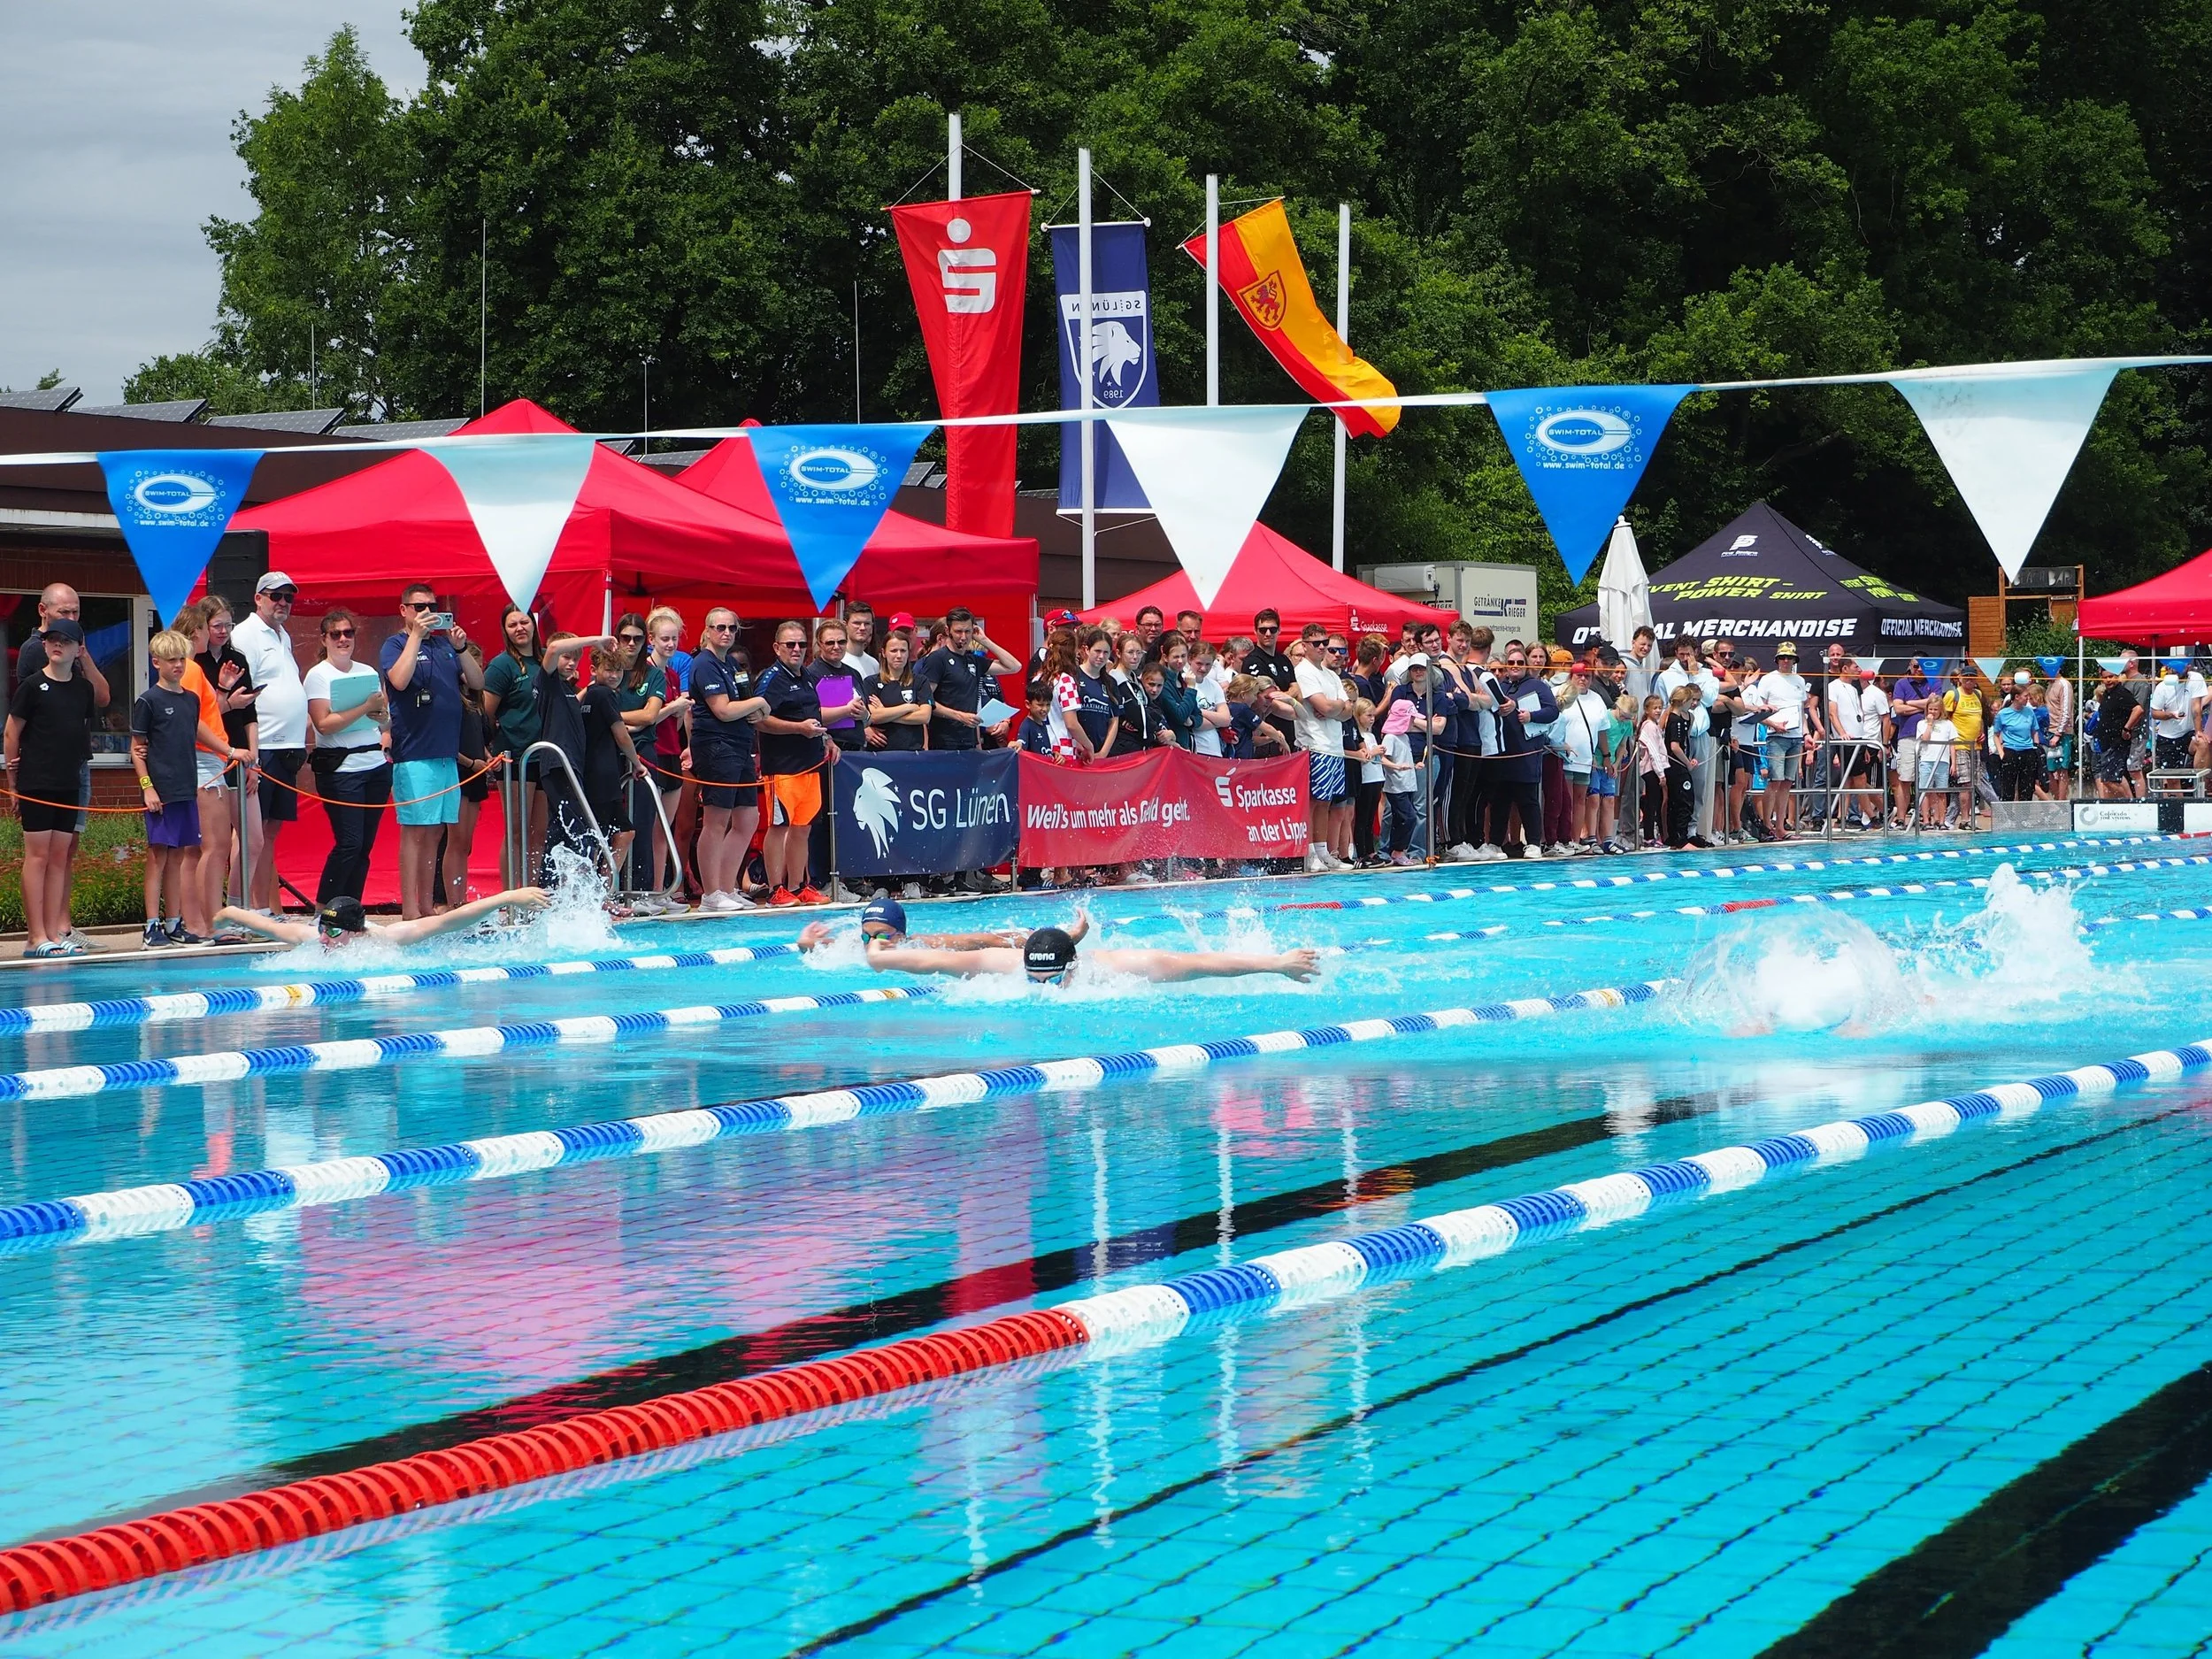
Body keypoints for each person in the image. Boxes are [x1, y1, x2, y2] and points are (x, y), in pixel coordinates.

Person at [134, 628, 249, 947]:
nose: (178, 666)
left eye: (181, 660)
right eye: (171, 660)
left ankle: (174, 922)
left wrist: (228, 751)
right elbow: (137, 748)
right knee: (159, 856)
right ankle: (150, 925)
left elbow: (200, 729)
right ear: (156, 662)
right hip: (162, 789)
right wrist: (148, 788)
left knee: (180, 855)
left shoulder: (190, 699)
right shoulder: (148, 700)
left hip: (186, 787)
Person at [380, 582, 483, 922]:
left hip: (445, 754)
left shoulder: (444, 647)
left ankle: (426, 904)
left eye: (432, 606)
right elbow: (398, 680)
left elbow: (477, 682)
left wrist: (462, 647)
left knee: (436, 832)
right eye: (419, 607)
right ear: (404, 611)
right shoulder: (395, 644)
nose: (427, 612)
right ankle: (410, 909)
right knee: (415, 832)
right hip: (415, 754)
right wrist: (415, 637)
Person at [861, 909, 1321, 985]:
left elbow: (1201, 963)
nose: (1045, 990)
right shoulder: (1001, 966)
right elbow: (920, 959)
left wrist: (1275, 964)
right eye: (1036, 981)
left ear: (1072, 968)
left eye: (1054, 981)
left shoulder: (1120, 969)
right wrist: (879, 951)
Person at [5, 618, 100, 956]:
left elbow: (81, 727)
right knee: (38, 856)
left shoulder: (83, 689)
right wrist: (13, 782)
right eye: (52, 640)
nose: (57, 645)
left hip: (67, 782)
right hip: (37, 780)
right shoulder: (31, 686)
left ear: (77, 649)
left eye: (65, 641)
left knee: (60, 857)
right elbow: (12, 733)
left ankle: (54, 935)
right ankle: (35, 937)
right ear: (44, 646)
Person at [231, 571, 309, 913]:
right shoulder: (246, 634)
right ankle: (241, 906)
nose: (282, 603)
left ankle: (262, 907)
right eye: (275, 596)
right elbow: (240, 696)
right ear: (258, 598)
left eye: (288, 597)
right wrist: (253, 753)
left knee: (270, 833)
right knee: (249, 833)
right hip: (264, 746)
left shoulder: (283, 635)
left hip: (288, 745)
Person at [303, 609, 392, 906]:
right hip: (341, 769)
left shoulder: (366, 671)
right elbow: (323, 724)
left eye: (348, 633)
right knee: (349, 843)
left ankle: (350, 909)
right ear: (325, 639)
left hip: (375, 766)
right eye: (336, 634)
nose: (343, 639)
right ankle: (324, 907)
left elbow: (383, 719)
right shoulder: (318, 675)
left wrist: (378, 712)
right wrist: (365, 707)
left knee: (364, 846)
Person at [686, 606, 767, 911]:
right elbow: (723, 710)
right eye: (720, 627)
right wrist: (758, 702)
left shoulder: (732, 665)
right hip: (717, 746)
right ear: (707, 630)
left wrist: (752, 707)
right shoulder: (704, 664)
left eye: (732, 628)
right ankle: (710, 894)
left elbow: (746, 709)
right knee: (716, 820)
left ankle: (726, 885)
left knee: (748, 819)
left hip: (740, 745)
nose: (726, 633)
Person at [757, 618, 838, 906]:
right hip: (782, 765)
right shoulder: (771, 678)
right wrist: (798, 728)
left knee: (803, 827)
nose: (797, 649)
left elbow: (814, 714)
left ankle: (799, 885)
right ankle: (775, 888)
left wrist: (826, 740)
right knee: (779, 826)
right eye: (790, 644)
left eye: (801, 644)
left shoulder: (806, 676)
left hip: (809, 764)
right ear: (777, 647)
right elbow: (760, 719)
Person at [193, 596, 258, 935]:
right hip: (211, 757)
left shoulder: (237, 658)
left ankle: (235, 908)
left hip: (237, 755)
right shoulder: (194, 663)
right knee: (214, 845)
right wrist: (226, 698)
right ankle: (212, 918)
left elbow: (250, 715)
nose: (223, 631)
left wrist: (252, 757)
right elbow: (203, 716)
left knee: (253, 839)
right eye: (216, 625)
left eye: (228, 625)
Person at [219, 887, 550, 950]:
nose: (323, 938)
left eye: (332, 931)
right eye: (322, 928)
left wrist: (507, 897)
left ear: (357, 932)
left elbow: (451, 921)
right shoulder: (314, 941)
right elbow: (267, 926)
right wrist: (229, 914)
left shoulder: (387, 939)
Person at [482, 603, 548, 885]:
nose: (520, 628)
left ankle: (531, 894)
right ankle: (512, 896)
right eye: (512, 625)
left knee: (539, 832)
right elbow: (484, 713)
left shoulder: (545, 660)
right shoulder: (502, 665)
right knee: (517, 831)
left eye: (524, 622)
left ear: (534, 624)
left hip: (544, 756)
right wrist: (487, 751)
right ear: (505, 631)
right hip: (514, 756)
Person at [609, 615, 670, 905]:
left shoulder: (652, 673)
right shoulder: (610, 670)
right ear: (617, 639)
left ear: (646, 641)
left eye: (637, 638)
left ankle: (642, 891)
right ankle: (610, 891)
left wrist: (614, 718)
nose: (631, 644)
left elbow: (650, 716)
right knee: (610, 825)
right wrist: (627, 724)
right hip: (608, 753)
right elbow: (592, 703)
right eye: (626, 638)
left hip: (643, 754)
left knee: (643, 824)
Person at [1487, 643, 1556, 859]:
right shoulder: (1501, 686)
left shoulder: (1538, 686)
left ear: (1525, 665)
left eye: (1519, 663)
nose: (1515, 666)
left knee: (1528, 800)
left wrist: (1531, 716)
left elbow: (1553, 711)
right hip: (1502, 753)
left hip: (1526, 753)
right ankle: (1496, 843)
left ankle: (1534, 842)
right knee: (1500, 801)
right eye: (1511, 663)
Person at [1746, 641, 1812, 838]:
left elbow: (1801, 711)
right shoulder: (1768, 680)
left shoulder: (1799, 680)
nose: (1786, 661)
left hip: (1795, 736)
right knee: (1775, 781)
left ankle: (1781, 826)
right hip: (1776, 736)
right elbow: (1760, 709)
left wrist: (1806, 733)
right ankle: (1768, 825)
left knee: (1787, 783)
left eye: (1789, 658)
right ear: (1777, 660)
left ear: (1794, 660)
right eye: (1782, 657)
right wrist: (1773, 725)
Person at [1887, 657, 1943, 827]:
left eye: (1923, 666)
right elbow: (1898, 709)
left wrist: (1909, 703)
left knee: (1930, 779)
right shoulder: (1902, 684)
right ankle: (1902, 818)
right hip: (1907, 736)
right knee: (1905, 778)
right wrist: (1925, 705)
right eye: (1916, 666)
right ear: (1910, 667)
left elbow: (1937, 705)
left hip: (1931, 736)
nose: (1919, 669)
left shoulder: (1935, 681)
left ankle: (1932, 819)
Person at [1992, 671, 2050, 802]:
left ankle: (2024, 817)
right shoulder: (2004, 714)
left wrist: (2036, 748)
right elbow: (1996, 735)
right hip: (2011, 750)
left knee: (2027, 787)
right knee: (2008, 786)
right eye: (2025, 697)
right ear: (2017, 697)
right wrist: (2001, 752)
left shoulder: (2029, 712)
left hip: (2027, 750)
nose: (2027, 699)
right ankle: (2008, 817)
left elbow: (2034, 731)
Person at [2092, 664, 2141, 801]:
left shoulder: (2121, 693)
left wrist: (2127, 728)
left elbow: (2138, 710)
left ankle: (2130, 802)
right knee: (2112, 778)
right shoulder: (2108, 694)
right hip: (2107, 743)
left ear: (2117, 677)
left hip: (2116, 743)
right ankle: (2127, 802)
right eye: (2105, 677)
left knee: (2109, 779)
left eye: (2111, 677)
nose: (2109, 680)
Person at [1663, 684, 1700, 849]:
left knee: (1676, 800)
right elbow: (1675, 746)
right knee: (1685, 800)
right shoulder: (1675, 720)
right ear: (1684, 701)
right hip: (1677, 765)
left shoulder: (1675, 717)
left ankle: (1675, 838)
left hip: (1676, 764)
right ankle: (1680, 838)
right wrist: (1687, 763)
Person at [1635, 693, 1669, 847]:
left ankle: (1652, 835)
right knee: (1652, 804)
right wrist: (1660, 773)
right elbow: (1654, 751)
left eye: (1660, 708)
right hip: (1651, 770)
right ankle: (1649, 836)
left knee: (1654, 802)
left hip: (1654, 769)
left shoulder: (1653, 726)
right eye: (1654, 708)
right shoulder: (1649, 726)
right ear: (1647, 709)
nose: (1658, 711)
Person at [843, 603, 880, 680]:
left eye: (867, 624)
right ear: (845, 625)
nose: (862, 628)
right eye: (857, 623)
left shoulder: (874, 664)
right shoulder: (838, 661)